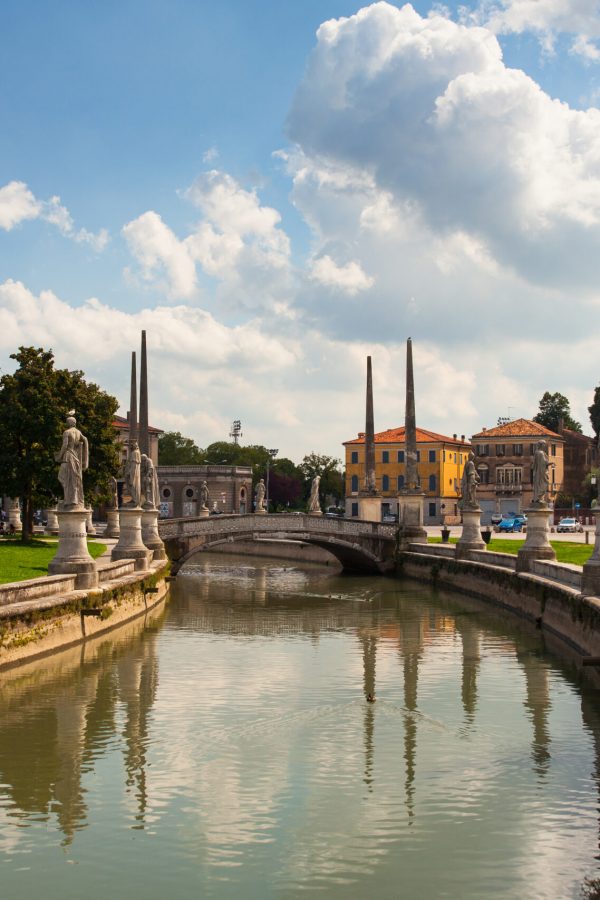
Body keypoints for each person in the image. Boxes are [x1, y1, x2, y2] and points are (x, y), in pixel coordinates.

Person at [56, 413, 89, 509]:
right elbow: (85, 440)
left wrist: (59, 456)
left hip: (68, 456)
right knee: (74, 479)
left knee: (62, 477)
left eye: (67, 422)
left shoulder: (66, 432)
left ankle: (70, 499)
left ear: (70, 423)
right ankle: (72, 499)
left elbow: (64, 446)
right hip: (76, 458)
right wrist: (85, 457)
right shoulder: (79, 432)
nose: (67, 423)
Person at [532, 440, 550, 506]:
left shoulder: (537, 452)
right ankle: (539, 498)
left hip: (538, 473)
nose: (544, 446)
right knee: (544, 483)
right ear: (541, 445)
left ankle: (538, 498)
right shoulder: (540, 453)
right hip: (541, 472)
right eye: (544, 444)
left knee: (540, 484)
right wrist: (550, 463)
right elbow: (543, 463)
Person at [124, 440, 141, 507]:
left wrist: (129, 472)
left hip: (133, 473)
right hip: (134, 473)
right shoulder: (136, 452)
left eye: (131, 445)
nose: (130, 447)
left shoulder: (135, 453)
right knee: (133, 486)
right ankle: (134, 499)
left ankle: (135, 500)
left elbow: (134, 465)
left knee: (132, 485)